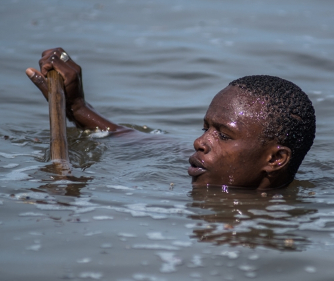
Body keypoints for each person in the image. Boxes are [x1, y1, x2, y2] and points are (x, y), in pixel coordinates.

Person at [26, 48, 315, 190]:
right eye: (205, 128)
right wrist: (76, 106)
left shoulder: (276, 224)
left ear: (276, 159)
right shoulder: (195, 165)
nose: (200, 142)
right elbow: (122, 136)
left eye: (223, 135)